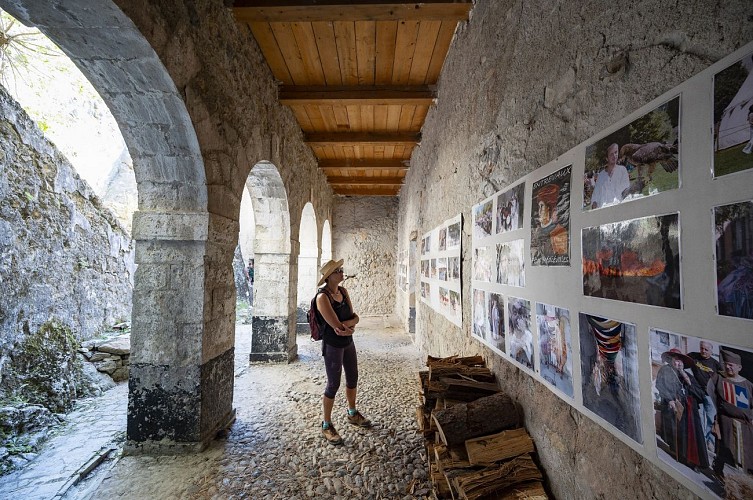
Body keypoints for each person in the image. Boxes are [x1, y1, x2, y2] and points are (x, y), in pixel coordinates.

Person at [315, 259, 370, 445]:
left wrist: (348, 326)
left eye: (340, 269)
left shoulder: (343, 292)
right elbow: (335, 326)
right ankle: (326, 424)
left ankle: (352, 413)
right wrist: (348, 325)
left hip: (348, 341)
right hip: (333, 345)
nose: (341, 272)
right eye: (338, 271)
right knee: (333, 384)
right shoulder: (322, 298)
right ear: (329, 277)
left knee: (353, 377)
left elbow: (355, 317)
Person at [655, 348, 709, 471]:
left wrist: (687, 379)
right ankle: (685, 457)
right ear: (671, 360)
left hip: (690, 408)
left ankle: (695, 460)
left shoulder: (687, 375)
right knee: (680, 433)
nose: (678, 363)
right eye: (675, 361)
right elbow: (660, 385)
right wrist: (670, 400)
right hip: (675, 406)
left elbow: (700, 393)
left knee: (693, 434)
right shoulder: (665, 370)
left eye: (680, 361)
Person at [709, 349, 753, 480]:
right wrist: (716, 420)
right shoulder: (718, 378)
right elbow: (711, 396)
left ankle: (744, 480)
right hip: (725, 422)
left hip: (745, 425)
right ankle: (720, 473)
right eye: (726, 364)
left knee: (746, 453)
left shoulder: (748, 385)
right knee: (725, 449)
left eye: (731, 365)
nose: (728, 367)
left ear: (739, 367)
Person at [687, 341, 721, 451]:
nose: (703, 351)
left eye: (706, 349)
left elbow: (721, 380)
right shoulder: (694, 356)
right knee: (700, 418)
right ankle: (700, 441)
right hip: (697, 393)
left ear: (711, 351)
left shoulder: (715, 364)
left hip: (710, 395)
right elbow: (681, 360)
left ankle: (709, 441)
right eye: (702, 348)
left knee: (711, 419)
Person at [590, 143, 630, 209]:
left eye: (616, 152)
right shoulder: (601, 176)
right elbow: (595, 197)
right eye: (611, 154)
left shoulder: (622, 170)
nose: (614, 155)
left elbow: (626, 191)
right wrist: (595, 206)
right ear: (606, 158)